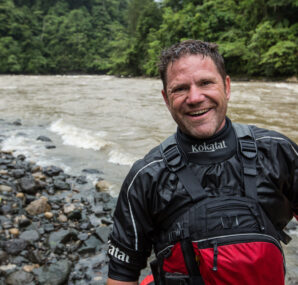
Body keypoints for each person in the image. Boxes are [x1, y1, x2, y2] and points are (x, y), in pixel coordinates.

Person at [107, 40, 298, 285]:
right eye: (180, 88)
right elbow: (122, 275)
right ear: (166, 99)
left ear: (226, 87)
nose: (195, 97)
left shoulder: (277, 151)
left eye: (206, 83)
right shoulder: (147, 177)